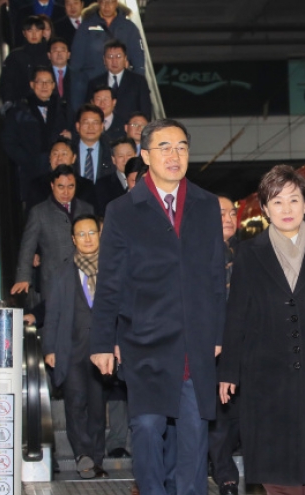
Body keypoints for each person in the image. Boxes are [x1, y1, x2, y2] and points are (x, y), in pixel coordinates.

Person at [90, 118, 227, 495]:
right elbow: (110, 282)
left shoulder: (204, 204)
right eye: (164, 147)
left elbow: (216, 276)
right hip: (144, 338)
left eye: (182, 146)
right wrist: (103, 341)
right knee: (148, 428)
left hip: (193, 340)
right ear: (146, 156)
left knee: (194, 430)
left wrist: (217, 333)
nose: (174, 155)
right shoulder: (123, 210)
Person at [218, 164, 305, 495]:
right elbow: (236, 314)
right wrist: (229, 371)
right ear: (265, 209)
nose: (286, 209)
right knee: (273, 461)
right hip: (264, 373)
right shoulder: (250, 255)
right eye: (277, 201)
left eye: (293, 200)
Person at [42, 213, 108, 479]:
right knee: (75, 403)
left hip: (103, 352)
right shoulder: (62, 273)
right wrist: (49, 349)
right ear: (73, 239)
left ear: (100, 234)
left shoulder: (112, 269)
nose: (87, 239)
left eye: (92, 232)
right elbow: (53, 314)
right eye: (81, 234)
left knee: (97, 406)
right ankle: (83, 455)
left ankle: (98, 458)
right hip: (71, 350)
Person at [11, 165, 94, 302]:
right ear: (52, 185)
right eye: (61, 187)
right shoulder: (39, 212)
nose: (66, 192)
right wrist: (23, 277)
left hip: (84, 276)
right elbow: (28, 246)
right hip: (53, 278)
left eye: (71, 186)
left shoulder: (87, 208)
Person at [208, 194, 240, 495]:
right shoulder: (198, 255)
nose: (229, 218)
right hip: (212, 347)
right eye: (221, 213)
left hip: (244, 345)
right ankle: (226, 475)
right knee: (218, 413)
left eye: (232, 212)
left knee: (240, 412)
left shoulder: (244, 254)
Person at [1, 66, 68, 205]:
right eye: (40, 82)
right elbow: (9, 141)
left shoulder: (63, 108)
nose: (44, 86)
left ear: (53, 85)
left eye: (48, 82)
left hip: (60, 175)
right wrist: (28, 159)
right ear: (32, 84)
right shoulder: (19, 110)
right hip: (30, 174)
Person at [69, 0, 145, 112]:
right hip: (93, 84)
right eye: (103, 2)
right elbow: (76, 63)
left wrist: (138, 86)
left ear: (116, 3)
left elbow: (138, 60)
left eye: (110, 2)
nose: (106, 6)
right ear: (98, 3)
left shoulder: (129, 27)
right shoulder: (86, 26)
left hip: (121, 84)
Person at [86, 39, 152, 124]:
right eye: (110, 57)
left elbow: (145, 110)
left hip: (129, 130)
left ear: (125, 58)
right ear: (104, 59)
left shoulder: (138, 81)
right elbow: (88, 110)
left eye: (118, 56)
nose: (114, 61)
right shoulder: (94, 83)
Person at [28, 137, 97, 208]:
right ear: (49, 158)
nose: (59, 158)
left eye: (64, 154)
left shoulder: (86, 187)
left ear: (73, 158)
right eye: (55, 154)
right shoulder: (36, 186)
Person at [0, 15, 49, 107]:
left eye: (37, 31)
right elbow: (6, 81)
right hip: (20, 105)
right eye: (30, 31)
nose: (34, 35)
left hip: (48, 104)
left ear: (43, 32)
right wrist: (8, 101)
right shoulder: (15, 56)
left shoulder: (49, 55)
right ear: (24, 33)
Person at [73, 103, 115, 183]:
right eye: (86, 123)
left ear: (102, 126)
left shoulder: (111, 150)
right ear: (78, 126)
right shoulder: (68, 149)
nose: (90, 127)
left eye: (95, 123)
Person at [95, 136, 135, 215]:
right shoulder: (102, 184)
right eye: (120, 156)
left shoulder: (145, 181)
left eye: (129, 155)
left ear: (136, 155)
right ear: (113, 160)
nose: (125, 160)